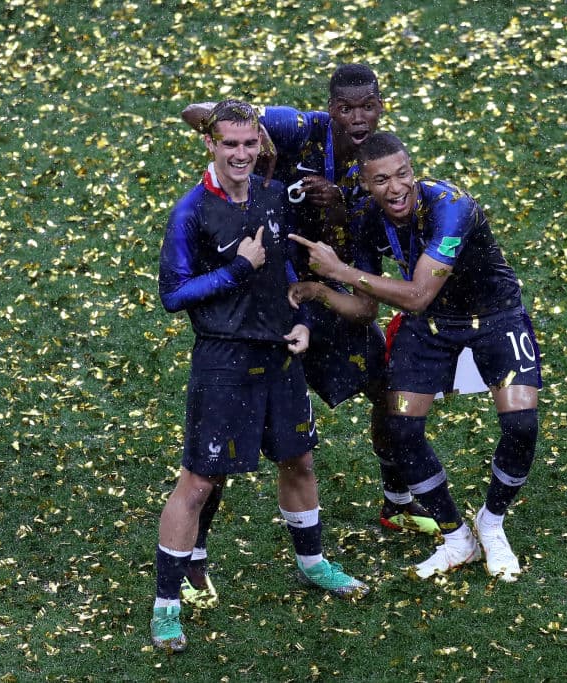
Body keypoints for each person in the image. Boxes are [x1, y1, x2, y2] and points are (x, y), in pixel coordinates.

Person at [177, 65, 437, 607]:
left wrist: (338, 219)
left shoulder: (376, 178)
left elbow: (365, 307)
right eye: (347, 107)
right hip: (264, 300)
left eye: (368, 106)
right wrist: (256, 148)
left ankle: (396, 501)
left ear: (382, 107)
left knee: (387, 395)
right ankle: (192, 560)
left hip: (323, 297)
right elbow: (198, 114)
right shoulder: (297, 129)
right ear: (330, 108)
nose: (358, 117)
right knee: (227, 440)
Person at [151, 99, 367, 653]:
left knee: (299, 460)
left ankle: (313, 563)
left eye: (251, 144)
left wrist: (301, 323)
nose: (242, 154)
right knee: (199, 480)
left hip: (280, 356)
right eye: (231, 144)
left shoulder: (273, 198)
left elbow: (290, 271)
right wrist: (238, 269)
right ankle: (166, 607)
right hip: (223, 361)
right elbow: (173, 295)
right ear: (211, 144)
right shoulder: (191, 212)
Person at [289, 131, 542, 583]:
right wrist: (320, 290)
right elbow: (366, 307)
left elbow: (418, 294)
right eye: (382, 179)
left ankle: (492, 523)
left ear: (413, 170)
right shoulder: (366, 214)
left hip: (495, 315)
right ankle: (456, 536)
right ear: (366, 183)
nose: (396, 187)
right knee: (399, 427)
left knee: (521, 425)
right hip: (431, 327)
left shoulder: (452, 208)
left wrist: (341, 271)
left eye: (403, 173)